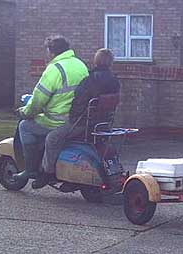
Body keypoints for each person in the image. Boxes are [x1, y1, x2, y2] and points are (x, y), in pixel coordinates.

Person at [32, 48, 121, 189]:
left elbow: (78, 102)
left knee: (52, 138)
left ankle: (47, 173)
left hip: (83, 123)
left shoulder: (90, 80)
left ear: (96, 61)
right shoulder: (115, 81)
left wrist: (71, 117)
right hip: (103, 124)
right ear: (111, 62)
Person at [13, 35, 89, 182]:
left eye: (47, 50)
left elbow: (38, 101)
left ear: (52, 52)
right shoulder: (80, 65)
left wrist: (24, 112)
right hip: (78, 118)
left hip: (58, 122)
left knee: (25, 126)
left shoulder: (54, 69)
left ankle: (29, 170)